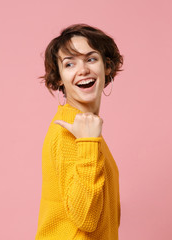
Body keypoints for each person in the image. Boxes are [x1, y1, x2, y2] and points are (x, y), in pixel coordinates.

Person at [35, 24, 124, 239]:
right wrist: (88, 143)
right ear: (59, 78)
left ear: (107, 67)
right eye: (69, 64)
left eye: (91, 59)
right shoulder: (69, 131)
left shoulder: (87, 128)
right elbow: (86, 218)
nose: (82, 70)